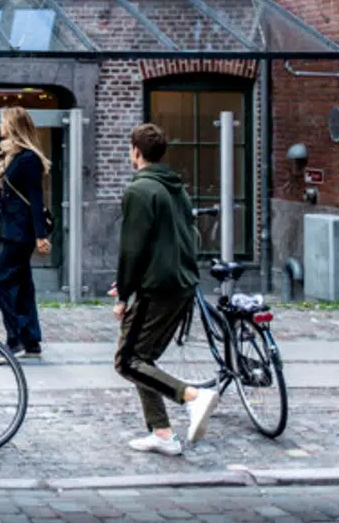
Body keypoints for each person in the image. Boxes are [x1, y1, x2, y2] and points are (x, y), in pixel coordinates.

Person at [111, 123, 219, 455]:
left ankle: (192, 396)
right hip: (182, 284)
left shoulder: (140, 190)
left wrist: (125, 293)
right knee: (144, 359)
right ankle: (162, 434)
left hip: (156, 287)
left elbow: (133, 247)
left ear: (135, 151)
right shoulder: (176, 188)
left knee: (127, 361)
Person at [0, 107, 52, 360]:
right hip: (13, 228)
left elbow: (34, 197)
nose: (0, 124)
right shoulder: (11, 156)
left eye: (3, 121)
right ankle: (31, 342)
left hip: (21, 234)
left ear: (13, 125)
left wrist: (41, 236)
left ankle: (15, 339)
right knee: (21, 285)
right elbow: (8, 198)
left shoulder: (28, 159)